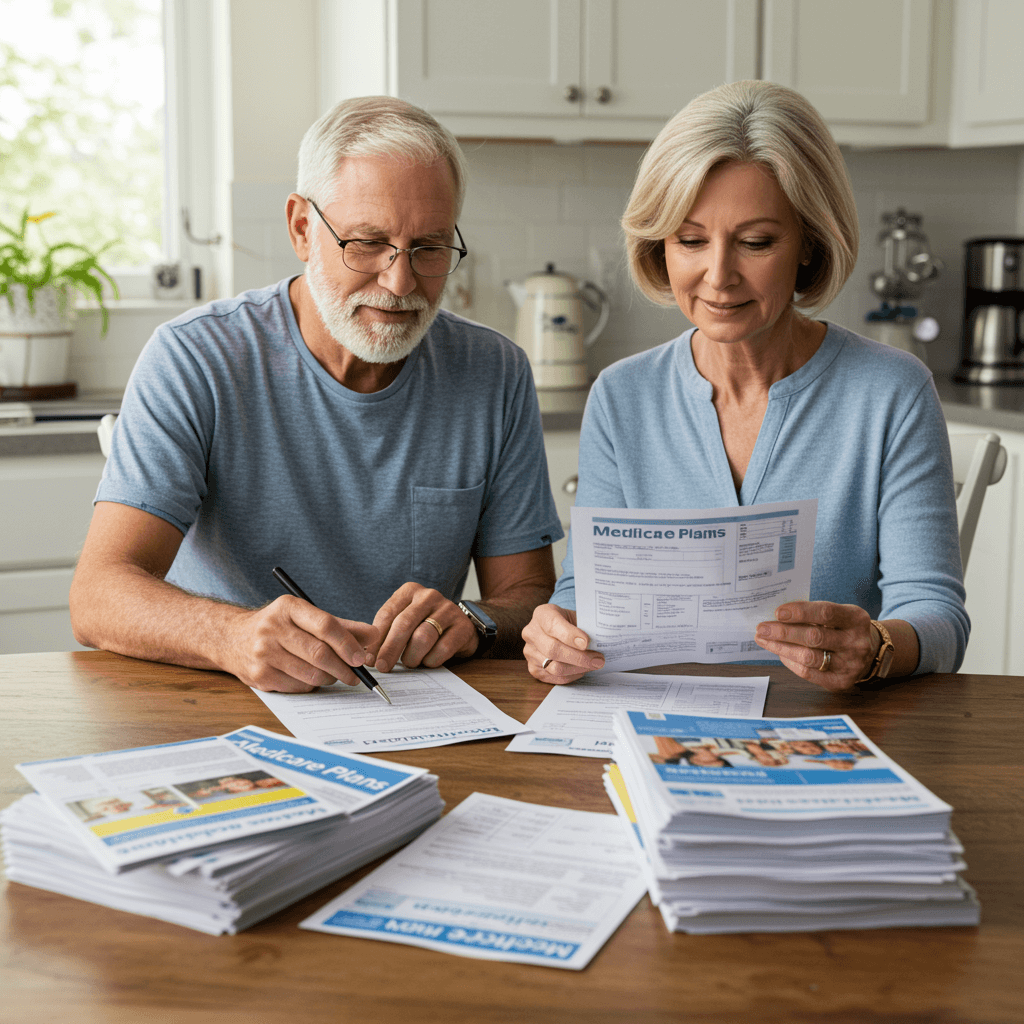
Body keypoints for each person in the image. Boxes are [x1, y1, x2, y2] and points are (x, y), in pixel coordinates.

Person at [71, 96, 562, 693]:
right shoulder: (195, 358)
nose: (400, 281)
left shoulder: (495, 372)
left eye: (429, 248)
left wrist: (473, 620)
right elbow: (98, 593)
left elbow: (528, 598)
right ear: (303, 228)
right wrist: (232, 635)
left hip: (414, 710)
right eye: (367, 242)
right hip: (230, 701)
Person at [522, 80, 968, 693]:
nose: (719, 275)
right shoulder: (621, 396)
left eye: (756, 242)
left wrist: (878, 646)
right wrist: (558, 634)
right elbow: (585, 597)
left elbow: (938, 615)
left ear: (810, 243)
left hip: (829, 731)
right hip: (655, 723)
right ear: (660, 245)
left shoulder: (892, 392)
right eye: (690, 240)